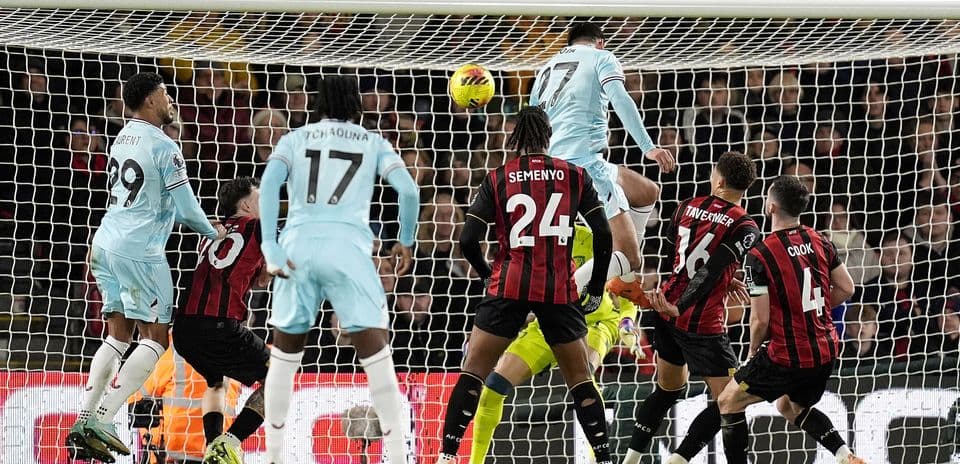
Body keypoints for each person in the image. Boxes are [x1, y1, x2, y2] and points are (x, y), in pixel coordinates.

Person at [436, 106, 615, 464]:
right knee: (580, 379)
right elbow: (604, 236)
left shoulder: (498, 177)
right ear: (550, 136)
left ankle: (447, 455)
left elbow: (469, 240)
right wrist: (595, 288)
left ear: (515, 136)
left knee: (473, 371)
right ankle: (605, 457)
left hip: (510, 283)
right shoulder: (576, 176)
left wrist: (489, 275)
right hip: (558, 288)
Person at [65, 72, 226, 462]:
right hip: (140, 251)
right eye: (167, 94)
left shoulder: (123, 136)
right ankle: (102, 418)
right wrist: (214, 231)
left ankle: (85, 417)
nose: (172, 101)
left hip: (104, 243)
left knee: (117, 334)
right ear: (152, 100)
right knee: (155, 337)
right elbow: (187, 209)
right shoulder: (165, 146)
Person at [258, 75, 419, 464]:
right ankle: (397, 454)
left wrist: (270, 243)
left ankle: (275, 456)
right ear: (355, 104)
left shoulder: (294, 139)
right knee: (376, 352)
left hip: (297, 246)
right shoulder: (373, 142)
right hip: (348, 250)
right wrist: (405, 239)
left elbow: (267, 186)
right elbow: (410, 191)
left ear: (319, 102)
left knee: (284, 353)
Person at [717, 175, 865, 464]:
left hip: (785, 355)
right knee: (791, 406)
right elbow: (847, 287)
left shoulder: (759, 254)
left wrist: (750, 354)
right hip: (824, 351)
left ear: (771, 207)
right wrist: (812, 311)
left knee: (728, 402)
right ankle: (844, 454)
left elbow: (760, 320)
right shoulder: (820, 240)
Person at [624, 151, 760, 464]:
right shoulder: (746, 227)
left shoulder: (687, 205)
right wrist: (686, 303)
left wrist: (676, 303)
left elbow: (679, 261)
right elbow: (711, 269)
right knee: (731, 401)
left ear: (720, 180)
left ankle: (630, 460)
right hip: (701, 323)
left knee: (668, 389)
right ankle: (680, 458)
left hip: (666, 309)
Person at [468, 224, 643, 464]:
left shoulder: (603, 238)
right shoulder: (535, 243)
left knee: (585, 385)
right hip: (547, 323)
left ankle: (599, 460)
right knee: (493, 387)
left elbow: (628, 295)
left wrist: (626, 323)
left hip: (595, 323)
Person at [529, 22, 676, 304]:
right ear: (600, 42)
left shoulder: (545, 69)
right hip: (584, 168)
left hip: (555, 166)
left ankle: (624, 281)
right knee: (632, 257)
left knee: (647, 191)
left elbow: (532, 123)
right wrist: (649, 147)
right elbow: (620, 98)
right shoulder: (601, 57)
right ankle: (563, 291)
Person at [171, 177, 273, 464]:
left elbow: (254, 275)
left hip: (184, 331)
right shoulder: (257, 227)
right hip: (219, 326)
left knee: (216, 383)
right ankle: (229, 442)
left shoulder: (210, 231)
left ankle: (213, 445)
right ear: (245, 204)